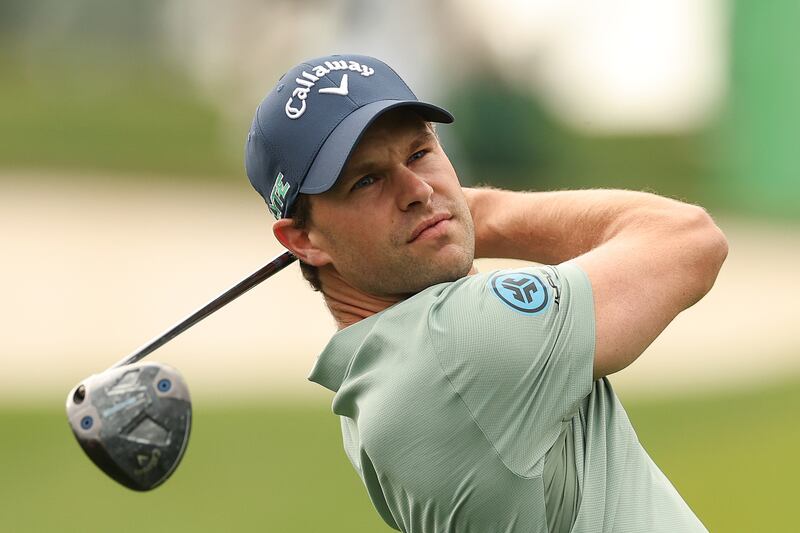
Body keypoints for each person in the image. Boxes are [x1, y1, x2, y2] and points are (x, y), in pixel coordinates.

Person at [245, 54, 728, 532]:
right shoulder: (456, 343)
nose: (417, 189)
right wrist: (479, 212)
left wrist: (438, 221)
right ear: (303, 241)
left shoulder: (370, 373)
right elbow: (688, 240)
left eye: (420, 153)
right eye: (366, 180)